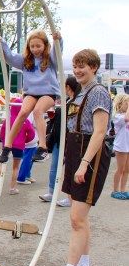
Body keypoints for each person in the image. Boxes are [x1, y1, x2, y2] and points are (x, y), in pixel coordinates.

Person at [55, 49, 112, 266]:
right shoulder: (82, 92)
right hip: (78, 152)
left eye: (84, 66)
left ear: (95, 68)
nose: (78, 70)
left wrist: (84, 163)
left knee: (77, 218)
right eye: (76, 66)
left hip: (90, 155)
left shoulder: (98, 92)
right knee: (80, 217)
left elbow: (99, 132)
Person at [0, 30, 63, 164]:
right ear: (28, 47)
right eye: (32, 46)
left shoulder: (50, 58)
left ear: (45, 45)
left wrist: (58, 39)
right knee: (22, 113)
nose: (35, 49)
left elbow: (58, 52)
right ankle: (7, 146)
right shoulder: (25, 60)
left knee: (38, 111)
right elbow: (9, 56)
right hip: (31, 92)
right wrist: (0, 42)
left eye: (38, 46)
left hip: (48, 92)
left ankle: (42, 147)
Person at [39, 75, 80, 207]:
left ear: (68, 87)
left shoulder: (76, 103)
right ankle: (52, 192)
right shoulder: (68, 101)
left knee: (70, 168)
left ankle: (70, 196)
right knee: (55, 166)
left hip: (70, 140)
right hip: (59, 139)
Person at [0, 99, 35, 196]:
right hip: (19, 145)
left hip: (7, 145)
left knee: (2, 165)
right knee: (16, 167)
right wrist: (25, 140)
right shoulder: (25, 121)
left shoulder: (7, 120)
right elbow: (31, 134)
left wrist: (3, 139)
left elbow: (2, 132)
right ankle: (12, 188)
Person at [111, 93, 129, 199]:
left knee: (127, 169)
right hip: (121, 146)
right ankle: (115, 190)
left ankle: (123, 190)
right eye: (126, 104)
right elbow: (126, 119)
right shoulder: (118, 116)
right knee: (120, 169)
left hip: (127, 145)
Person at [16, 112, 38, 185]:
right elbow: (31, 123)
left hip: (30, 138)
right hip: (30, 138)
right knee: (27, 159)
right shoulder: (31, 111)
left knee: (30, 158)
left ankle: (27, 175)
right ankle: (21, 177)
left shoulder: (29, 109)